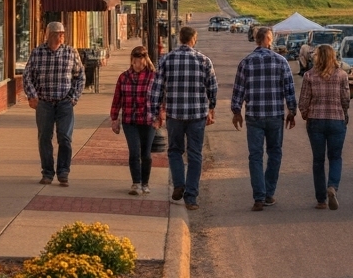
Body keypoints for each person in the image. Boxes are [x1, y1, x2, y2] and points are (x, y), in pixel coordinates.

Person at [231, 27, 297, 211]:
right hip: (275, 115)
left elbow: (238, 90)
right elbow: (289, 89)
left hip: (254, 115)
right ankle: (268, 193)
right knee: (275, 152)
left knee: (255, 156)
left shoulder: (246, 62)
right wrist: (292, 111)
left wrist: (236, 111)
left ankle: (259, 196)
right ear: (268, 39)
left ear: (255, 39)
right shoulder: (281, 61)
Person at [154, 26, 217, 210]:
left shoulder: (166, 59)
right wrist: (211, 107)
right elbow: (212, 87)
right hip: (197, 115)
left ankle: (179, 183)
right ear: (194, 39)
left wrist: (156, 111)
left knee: (174, 150)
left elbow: (157, 87)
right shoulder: (204, 61)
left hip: (175, 114)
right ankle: (191, 196)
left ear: (179, 39)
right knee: (195, 154)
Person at [24, 21, 85, 187]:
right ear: (50, 35)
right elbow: (27, 76)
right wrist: (32, 96)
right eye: (59, 33)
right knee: (44, 138)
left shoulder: (71, 52)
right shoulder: (37, 53)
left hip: (65, 103)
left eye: (63, 33)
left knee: (65, 137)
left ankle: (63, 172)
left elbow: (80, 77)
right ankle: (48, 173)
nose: (62, 36)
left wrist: (74, 97)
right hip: (44, 103)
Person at [299, 43, 349, 210]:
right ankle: (332, 186)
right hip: (336, 120)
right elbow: (345, 99)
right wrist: (344, 114)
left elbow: (304, 101)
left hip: (316, 120)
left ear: (317, 57)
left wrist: (306, 114)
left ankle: (321, 199)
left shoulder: (309, 76)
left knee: (318, 160)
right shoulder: (342, 75)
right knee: (335, 157)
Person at [111, 46, 162, 195]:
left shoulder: (154, 77)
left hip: (148, 120)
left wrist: (160, 117)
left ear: (146, 60)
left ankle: (145, 183)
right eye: (135, 59)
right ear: (131, 60)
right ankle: (136, 183)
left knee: (145, 153)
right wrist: (114, 118)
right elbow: (117, 100)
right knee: (134, 152)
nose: (137, 62)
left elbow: (162, 99)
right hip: (130, 120)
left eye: (140, 58)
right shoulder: (124, 77)